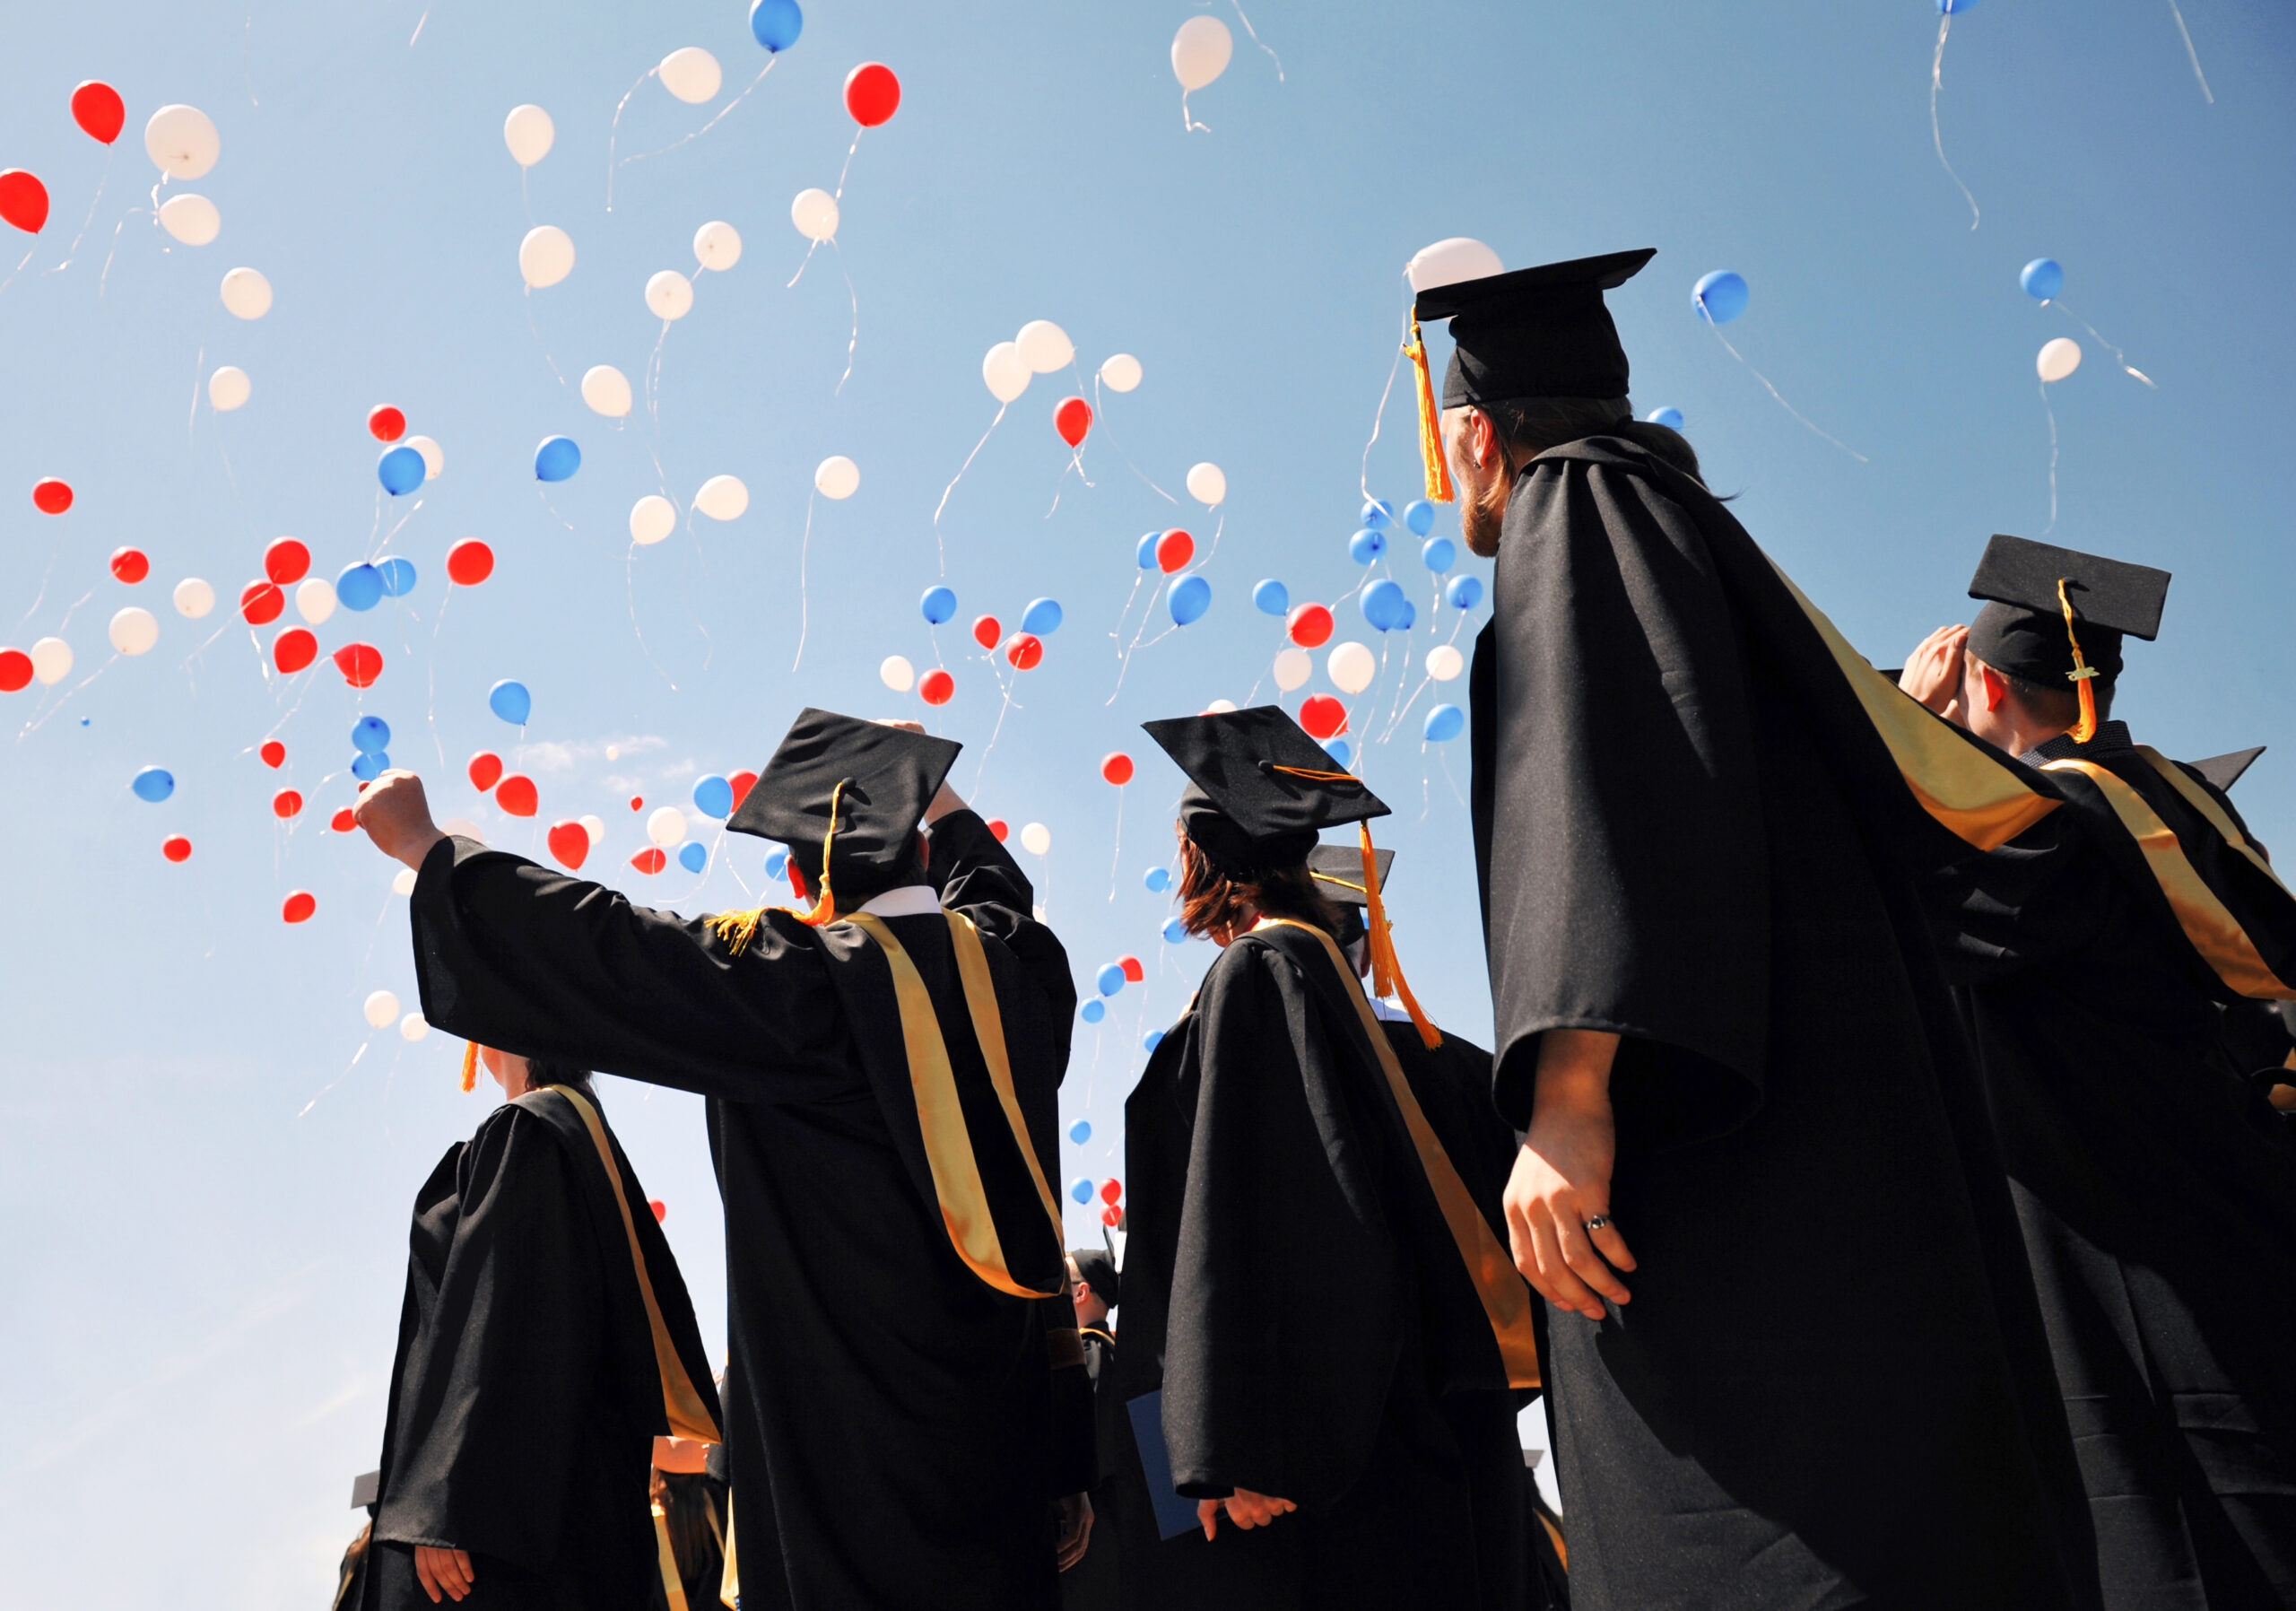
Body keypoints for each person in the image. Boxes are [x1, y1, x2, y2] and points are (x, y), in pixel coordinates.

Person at [1425, 248, 2100, 1608]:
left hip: (1731, 1191)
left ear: (1482, 435)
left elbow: (1604, 769)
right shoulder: (1689, 528)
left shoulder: (1578, 508)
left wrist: (1565, 1093)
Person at [354, 710, 1092, 1611]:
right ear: (924, 854)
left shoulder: (813, 982)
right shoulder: (1018, 968)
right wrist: (925, 784)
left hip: (854, 1459)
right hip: (1001, 1444)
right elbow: (995, 890)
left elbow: (622, 945)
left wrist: (435, 852)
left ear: (802, 876)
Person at [1899, 535, 2296, 1607]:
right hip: (2243, 1224)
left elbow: (1894, 890)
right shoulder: (2179, 811)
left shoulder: (2050, 830)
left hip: (2140, 1274)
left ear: (1982, 678)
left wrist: (1914, 728)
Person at [1109, 706, 1541, 1611]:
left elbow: (1265, 1219)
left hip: (1325, 1476)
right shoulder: (1452, 1060)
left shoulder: (1259, 978)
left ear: (1201, 861)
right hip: (1453, 1453)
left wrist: (1234, 1444)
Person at [360, 1048, 721, 1611]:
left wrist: (447, 1505)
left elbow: (501, 1323)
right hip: (575, 1519)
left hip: (493, 1552)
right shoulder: (575, 1131)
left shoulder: (531, 1131)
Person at [1058, 1247, 1135, 1611]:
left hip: (1093, 1529)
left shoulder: (1089, 1353)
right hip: (1120, 1528)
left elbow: (1089, 1445)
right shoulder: (1120, 1353)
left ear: (1080, 1292)